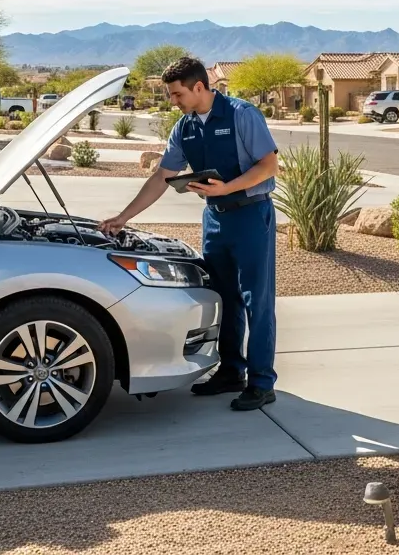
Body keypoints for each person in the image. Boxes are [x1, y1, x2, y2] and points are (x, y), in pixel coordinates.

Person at [100, 57, 280, 411]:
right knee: (225, 297)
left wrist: (227, 189)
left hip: (251, 215)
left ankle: (262, 383)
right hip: (214, 218)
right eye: (171, 95)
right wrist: (123, 216)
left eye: (177, 94)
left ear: (199, 87)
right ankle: (231, 372)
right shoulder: (184, 128)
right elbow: (161, 177)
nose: (173, 101)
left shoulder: (242, 115)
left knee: (256, 300)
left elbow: (269, 165)